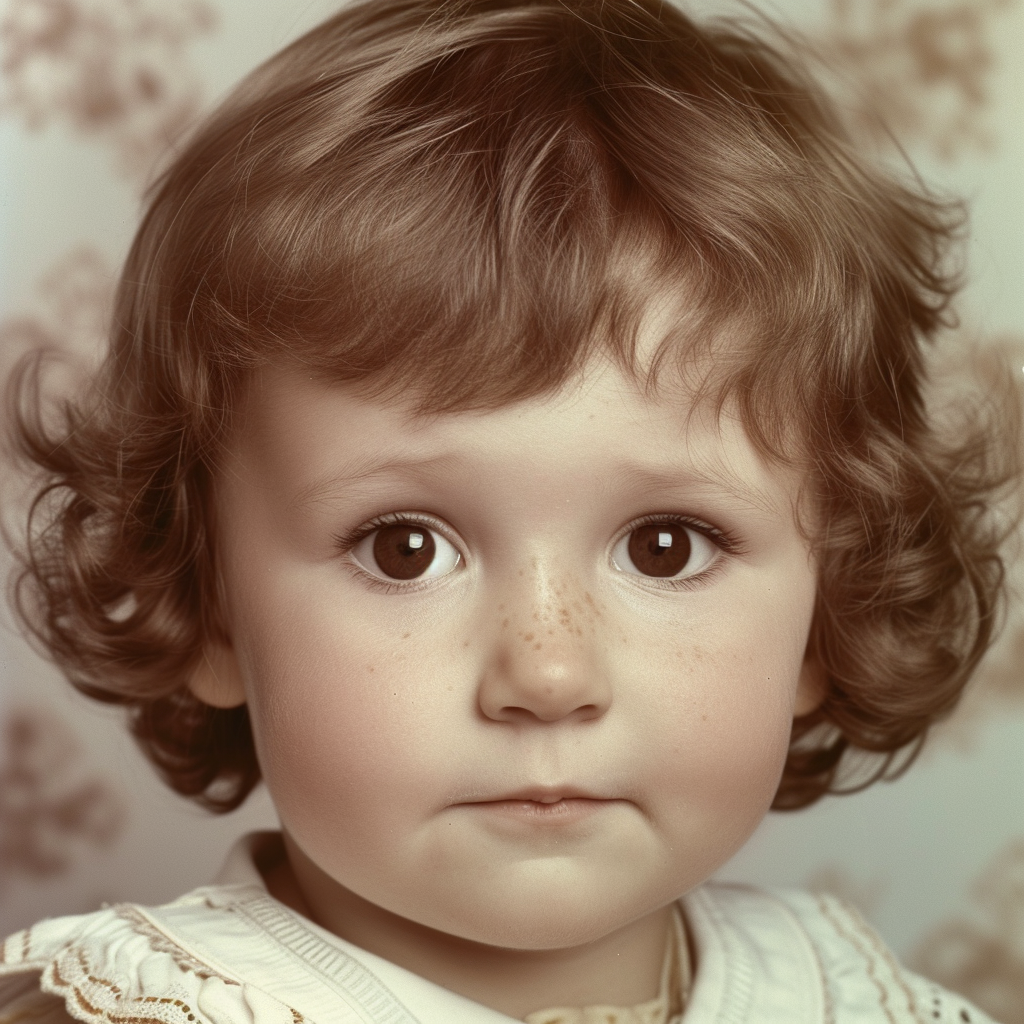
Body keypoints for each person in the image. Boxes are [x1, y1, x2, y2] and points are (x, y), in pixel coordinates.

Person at [0, 0, 1017, 1020]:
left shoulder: (862, 1001)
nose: (547, 673)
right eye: (404, 548)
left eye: (666, 547)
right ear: (208, 598)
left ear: (826, 606)